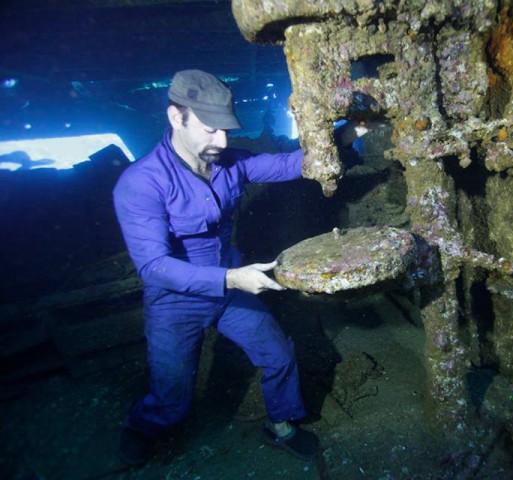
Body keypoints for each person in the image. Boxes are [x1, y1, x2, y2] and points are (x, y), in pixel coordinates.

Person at [113, 69, 365, 465]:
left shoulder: (229, 162)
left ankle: (281, 425)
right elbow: (153, 267)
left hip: (231, 286)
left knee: (277, 354)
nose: (223, 141)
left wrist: (348, 133)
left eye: (227, 130)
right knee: (173, 393)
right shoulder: (141, 183)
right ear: (176, 117)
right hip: (175, 299)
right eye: (211, 130)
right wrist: (231, 278)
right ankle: (142, 425)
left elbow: (288, 164)